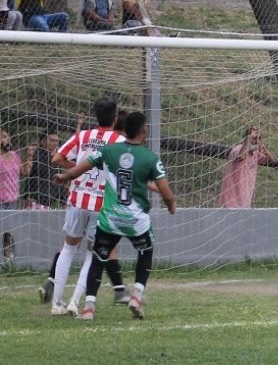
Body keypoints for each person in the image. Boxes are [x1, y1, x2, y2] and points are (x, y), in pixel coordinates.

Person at [54, 111, 177, 320]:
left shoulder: (108, 151)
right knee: (145, 251)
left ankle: (88, 308)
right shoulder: (150, 158)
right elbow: (166, 193)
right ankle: (136, 296)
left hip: (109, 219)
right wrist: (171, 206)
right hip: (135, 220)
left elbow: (77, 170)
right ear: (144, 131)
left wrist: (63, 176)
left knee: (98, 258)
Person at [45, 97, 129, 315]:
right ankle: (75, 301)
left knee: (69, 248)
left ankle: (56, 304)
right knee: (93, 254)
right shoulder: (119, 142)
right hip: (102, 204)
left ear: (96, 115)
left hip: (77, 199)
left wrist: (78, 167)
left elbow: (56, 158)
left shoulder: (83, 136)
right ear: (115, 116)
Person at [218, 127, 278, 209]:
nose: (256, 141)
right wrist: (248, 141)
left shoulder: (256, 154)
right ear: (247, 139)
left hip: (245, 199)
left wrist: (265, 150)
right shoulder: (237, 150)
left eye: (259, 138)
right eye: (254, 138)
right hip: (231, 199)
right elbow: (241, 157)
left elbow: (274, 160)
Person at [25, 131, 67, 210]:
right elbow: (31, 171)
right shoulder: (37, 154)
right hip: (36, 199)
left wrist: (63, 199)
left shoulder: (57, 157)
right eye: (52, 140)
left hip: (51, 200)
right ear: (43, 141)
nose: (55, 143)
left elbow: (57, 180)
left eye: (57, 141)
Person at [0, 130, 33, 209]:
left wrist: (29, 156)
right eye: (4, 137)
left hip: (13, 198)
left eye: (8, 136)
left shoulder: (14, 155)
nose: (8, 139)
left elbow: (25, 172)